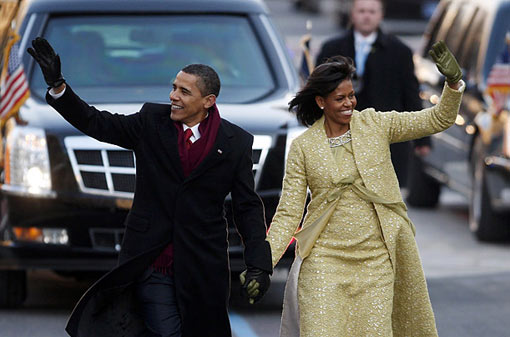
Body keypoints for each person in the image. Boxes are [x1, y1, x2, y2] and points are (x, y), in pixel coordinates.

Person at [27, 37, 271, 337]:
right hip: (152, 261)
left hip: (203, 266)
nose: (173, 96)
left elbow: (247, 206)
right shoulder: (151, 122)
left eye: (184, 91)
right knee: (166, 333)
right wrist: (59, 88)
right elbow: (97, 123)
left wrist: (259, 263)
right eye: (173, 88)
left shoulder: (236, 142)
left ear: (208, 101)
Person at [266, 40, 464, 336]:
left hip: (376, 261)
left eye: (351, 96)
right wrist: (262, 261)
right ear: (321, 102)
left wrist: (452, 83)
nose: (349, 104)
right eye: (339, 99)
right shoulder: (303, 148)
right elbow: (289, 213)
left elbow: (438, 118)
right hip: (324, 261)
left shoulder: (375, 125)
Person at [315, 0, 430, 187]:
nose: (366, 16)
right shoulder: (332, 49)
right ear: (353, 14)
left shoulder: (399, 51)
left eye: (371, 11)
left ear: (380, 15)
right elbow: (318, 91)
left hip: (385, 140)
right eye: (361, 11)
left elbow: (410, 95)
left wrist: (422, 139)